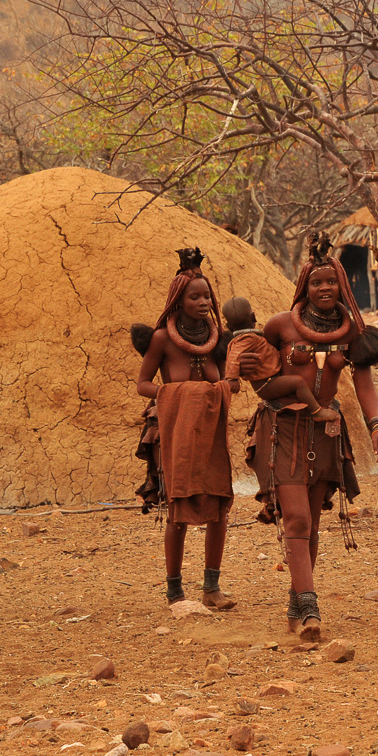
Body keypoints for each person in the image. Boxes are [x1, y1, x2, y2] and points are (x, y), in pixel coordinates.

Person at [246, 233, 378, 641]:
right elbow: (258, 372)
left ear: (341, 284)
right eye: (316, 282)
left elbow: (363, 383)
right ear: (304, 287)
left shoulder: (353, 331)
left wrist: (377, 425)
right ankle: (310, 609)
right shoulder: (280, 326)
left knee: (310, 525)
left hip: (326, 433)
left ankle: (297, 599)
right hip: (282, 430)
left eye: (331, 281)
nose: (324, 288)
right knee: (295, 517)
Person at [133, 247, 236, 610]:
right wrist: (174, 395)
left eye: (207, 295)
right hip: (174, 434)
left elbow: (230, 383)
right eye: (195, 296)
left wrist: (221, 386)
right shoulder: (162, 339)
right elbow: (143, 383)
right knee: (178, 509)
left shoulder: (216, 341)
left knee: (218, 507)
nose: (203, 302)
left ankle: (211, 587)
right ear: (178, 301)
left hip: (211, 435)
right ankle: (174, 590)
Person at [222, 296, 339, 421]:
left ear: (228, 326)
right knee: (298, 383)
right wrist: (232, 378)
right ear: (254, 317)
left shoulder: (249, 338)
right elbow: (234, 356)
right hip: (267, 384)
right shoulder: (246, 339)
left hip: (270, 381)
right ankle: (317, 411)